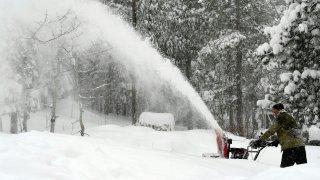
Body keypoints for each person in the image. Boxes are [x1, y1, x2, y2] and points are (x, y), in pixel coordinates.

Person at [251, 103, 307, 168]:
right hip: (300, 146)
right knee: (303, 170)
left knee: (284, 171)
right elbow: (289, 131)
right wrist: (278, 140)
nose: (273, 113)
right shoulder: (289, 117)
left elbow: (271, 131)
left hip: (290, 148)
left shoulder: (280, 117)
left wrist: (260, 140)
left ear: (279, 110)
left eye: (274, 111)